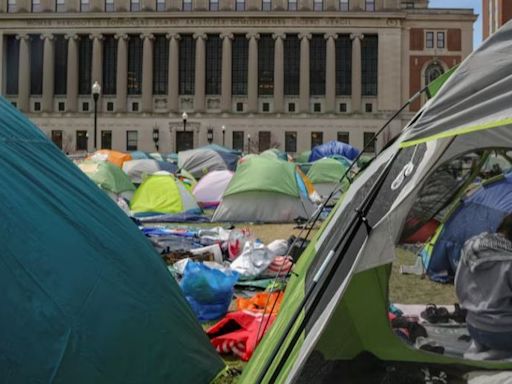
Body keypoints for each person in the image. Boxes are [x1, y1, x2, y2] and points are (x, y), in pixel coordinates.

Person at [455, 213, 512, 352]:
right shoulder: (509, 259)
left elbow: (458, 286)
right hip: (504, 334)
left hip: (474, 326)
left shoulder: (471, 244)